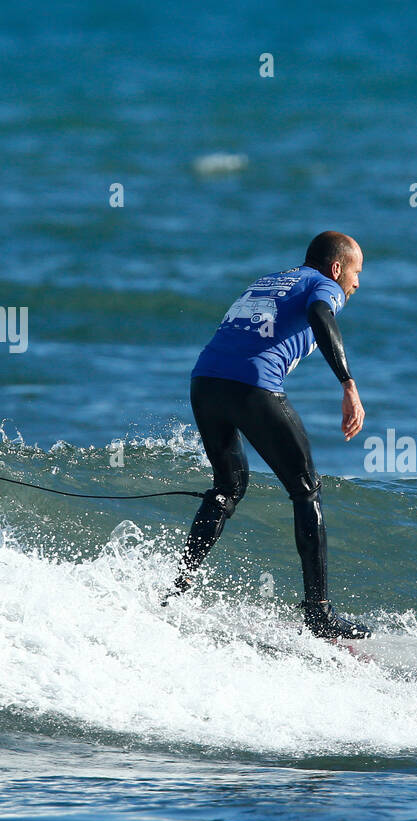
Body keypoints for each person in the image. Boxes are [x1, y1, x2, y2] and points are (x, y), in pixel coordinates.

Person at [166, 231, 371, 640]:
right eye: (356, 272)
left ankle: (177, 589)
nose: (357, 283)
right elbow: (320, 315)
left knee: (226, 488)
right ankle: (319, 614)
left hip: (205, 382)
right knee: (306, 490)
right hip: (252, 386)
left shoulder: (268, 280)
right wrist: (348, 384)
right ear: (336, 268)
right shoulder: (324, 285)